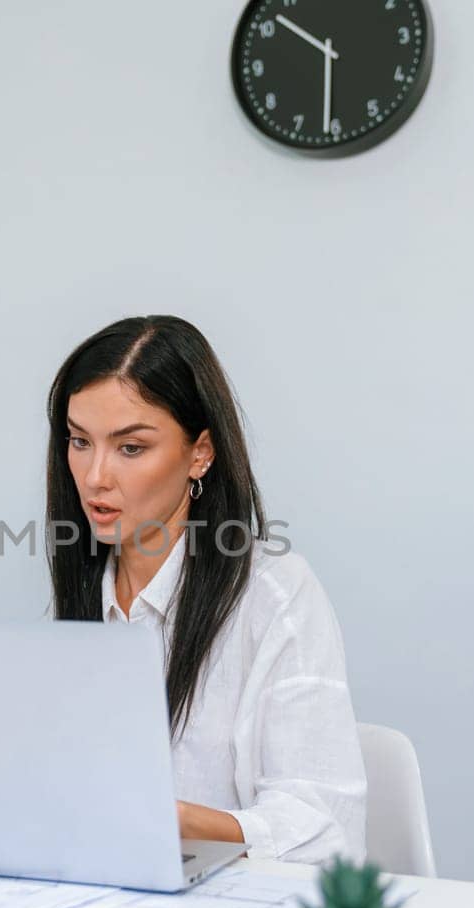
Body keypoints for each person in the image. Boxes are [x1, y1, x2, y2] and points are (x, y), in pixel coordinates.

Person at [46, 315, 365, 863]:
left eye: (130, 448)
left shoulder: (274, 595)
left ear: (200, 453)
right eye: (79, 441)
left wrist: (172, 820)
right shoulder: (81, 597)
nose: (95, 476)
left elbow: (325, 824)